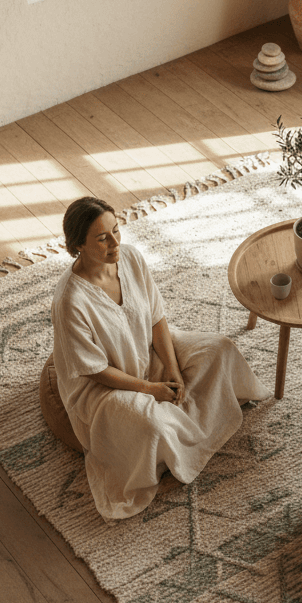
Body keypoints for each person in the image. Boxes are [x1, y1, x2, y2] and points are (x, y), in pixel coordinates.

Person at [51, 196, 271, 520]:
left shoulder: (131, 258)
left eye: (116, 230)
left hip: (147, 350)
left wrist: (172, 368)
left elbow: (155, 317)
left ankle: (180, 434)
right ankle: (184, 433)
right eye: (102, 237)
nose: (115, 242)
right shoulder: (71, 301)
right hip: (103, 389)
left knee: (219, 349)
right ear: (78, 246)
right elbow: (96, 370)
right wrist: (149, 390)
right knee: (152, 424)